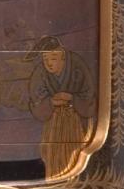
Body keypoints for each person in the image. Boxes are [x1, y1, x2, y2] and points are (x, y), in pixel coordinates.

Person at [27, 36, 96, 180]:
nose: (49, 63)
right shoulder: (40, 72)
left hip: (75, 122)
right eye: (45, 59)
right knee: (51, 155)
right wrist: (51, 102)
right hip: (53, 123)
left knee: (74, 154)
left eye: (53, 58)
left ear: (63, 56)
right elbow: (36, 98)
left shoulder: (78, 67)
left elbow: (89, 94)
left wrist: (71, 98)